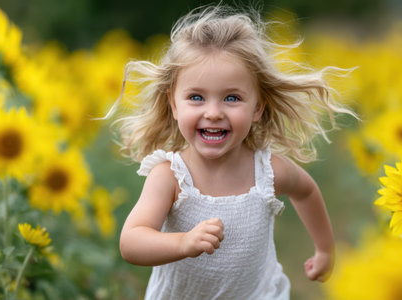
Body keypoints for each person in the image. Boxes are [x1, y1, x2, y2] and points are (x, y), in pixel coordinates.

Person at [116, 5, 354, 300]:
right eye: (196, 97)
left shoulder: (269, 172)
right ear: (174, 105)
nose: (213, 113)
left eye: (232, 98)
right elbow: (131, 242)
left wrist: (324, 249)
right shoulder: (170, 177)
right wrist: (183, 242)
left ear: (257, 107)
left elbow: (305, 191)